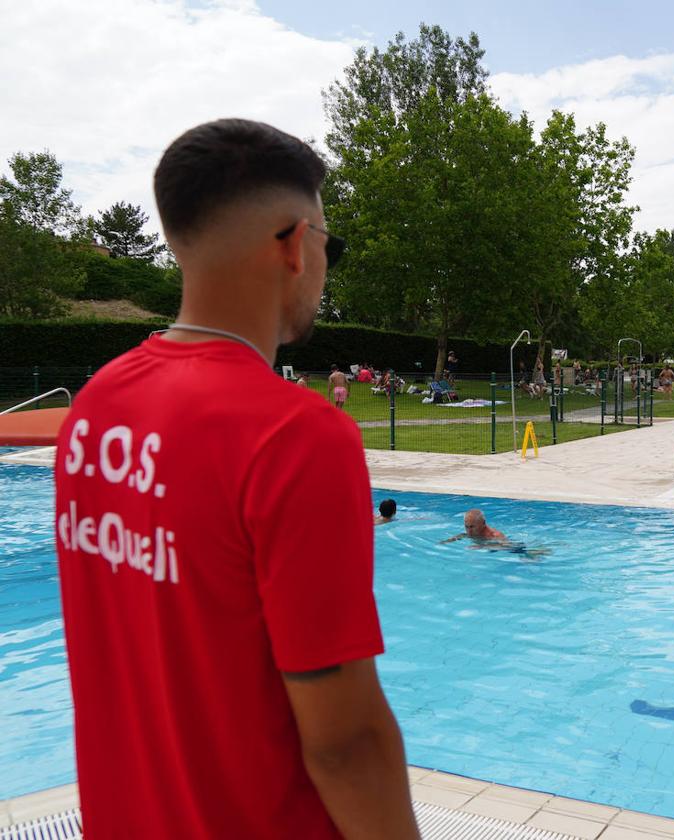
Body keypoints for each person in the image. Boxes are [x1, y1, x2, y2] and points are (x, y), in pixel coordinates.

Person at [53, 120, 418, 839]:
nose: (324, 265)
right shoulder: (296, 437)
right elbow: (345, 741)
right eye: (328, 246)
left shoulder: (96, 406)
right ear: (293, 245)